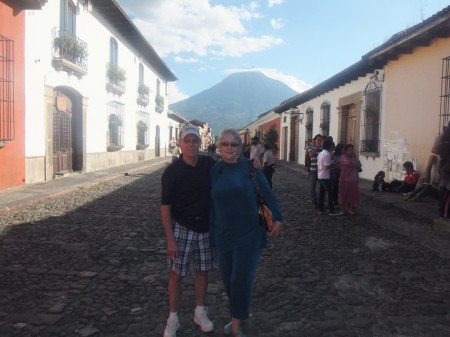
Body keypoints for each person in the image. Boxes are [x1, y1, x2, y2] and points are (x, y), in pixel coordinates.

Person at [210, 128, 283, 337]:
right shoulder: (215, 170)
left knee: (241, 279)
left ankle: (235, 325)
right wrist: (211, 233)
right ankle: (239, 313)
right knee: (228, 279)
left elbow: (267, 195)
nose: (229, 148)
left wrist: (277, 218)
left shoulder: (250, 168)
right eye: (225, 144)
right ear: (218, 146)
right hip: (223, 235)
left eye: (234, 144)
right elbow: (211, 204)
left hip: (249, 234)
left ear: (240, 148)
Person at [160, 125, 216, 337]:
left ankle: (199, 312)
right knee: (177, 275)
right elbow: (165, 207)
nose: (191, 144)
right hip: (182, 228)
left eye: (195, 140)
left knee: (202, 272)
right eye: (187, 140)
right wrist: (170, 239)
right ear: (180, 143)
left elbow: (229, 169)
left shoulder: (209, 164)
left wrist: (250, 164)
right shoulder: (172, 172)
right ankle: (173, 318)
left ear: (200, 143)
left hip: (205, 229)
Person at [317, 139, 340, 215]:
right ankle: (331, 210)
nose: (334, 148)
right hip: (325, 176)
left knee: (321, 193)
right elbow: (327, 166)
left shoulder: (321, 153)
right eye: (333, 146)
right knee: (330, 193)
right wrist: (336, 163)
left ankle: (321, 209)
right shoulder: (327, 154)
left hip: (320, 175)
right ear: (330, 146)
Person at [339, 144, 362, 215]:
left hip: (354, 179)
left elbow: (359, 164)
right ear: (345, 151)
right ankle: (343, 209)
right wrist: (355, 164)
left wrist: (355, 163)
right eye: (350, 150)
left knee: (353, 194)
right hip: (345, 179)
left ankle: (351, 209)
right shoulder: (342, 157)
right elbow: (348, 163)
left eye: (352, 149)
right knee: (344, 194)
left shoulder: (354, 157)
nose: (352, 151)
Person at [307, 134, 323, 208]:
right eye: (318, 140)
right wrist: (317, 147)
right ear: (315, 140)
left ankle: (321, 201)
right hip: (313, 170)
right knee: (312, 187)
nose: (320, 141)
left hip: (321, 171)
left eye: (321, 140)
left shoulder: (323, 148)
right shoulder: (311, 147)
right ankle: (314, 202)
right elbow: (310, 155)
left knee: (322, 187)